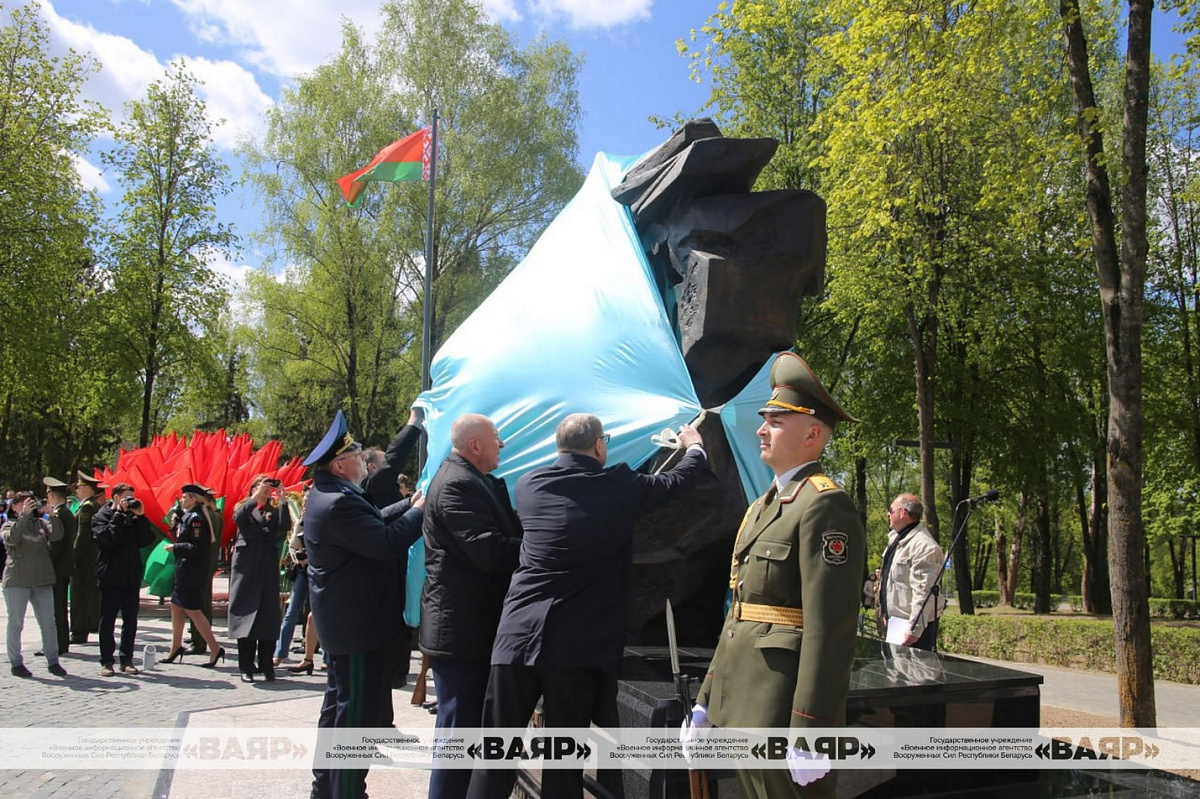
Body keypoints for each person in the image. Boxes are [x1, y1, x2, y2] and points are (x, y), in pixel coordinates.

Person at [467, 413, 707, 799]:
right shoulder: (618, 485)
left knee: (494, 757)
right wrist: (694, 447)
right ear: (599, 445)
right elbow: (675, 483)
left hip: (517, 639)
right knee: (563, 768)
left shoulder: (529, 485)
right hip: (574, 650)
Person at [686, 352, 865, 799]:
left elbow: (831, 627)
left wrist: (813, 728)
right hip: (744, 701)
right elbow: (740, 614)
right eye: (765, 420)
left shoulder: (824, 505)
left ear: (812, 434)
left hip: (781, 708)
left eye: (776, 422)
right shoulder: (761, 507)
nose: (761, 430)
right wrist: (707, 699)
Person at [303, 409, 425, 799]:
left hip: (346, 625)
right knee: (354, 718)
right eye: (356, 455)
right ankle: (347, 791)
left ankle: (326, 787)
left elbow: (372, 521)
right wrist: (420, 512)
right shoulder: (339, 502)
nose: (362, 460)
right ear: (340, 465)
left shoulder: (332, 494)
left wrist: (406, 506)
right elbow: (384, 542)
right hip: (357, 628)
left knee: (339, 709)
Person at [421, 413, 523, 799]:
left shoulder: (473, 479)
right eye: (496, 437)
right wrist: (544, 546)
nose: (502, 444)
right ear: (475, 445)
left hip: (471, 629)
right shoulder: (457, 484)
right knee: (458, 739)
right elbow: (488, 550)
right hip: (461, 635)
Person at [229, 475, 292, 683]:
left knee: (267, 616)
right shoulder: (245, 505)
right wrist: (255, 496)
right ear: (253, 488)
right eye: (261, 485)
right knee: (245, 614)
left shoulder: (273, 510)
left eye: (267, 487)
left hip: (267, 566)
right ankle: (246, 667)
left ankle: (266, 665)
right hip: (246, 566)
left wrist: (282, 499)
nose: (265, 489)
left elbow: (284, 526)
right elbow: (238, 519)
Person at [92, 482, 157, 676]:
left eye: (132, 497)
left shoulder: (132, 516)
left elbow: (146, 540)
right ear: (115, 498)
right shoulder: (101, 516)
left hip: (130, 575)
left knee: (130, 621)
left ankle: (126, 659)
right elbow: (109, 539)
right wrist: (119, 514)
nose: (129, 501)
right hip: (110, 575)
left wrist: (141, 516)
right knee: (108, 620)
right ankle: (106, 661)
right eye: (126, 497)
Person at [3, 492, 67, 677]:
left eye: (31, 503)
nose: (29, 506)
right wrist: (23, 516)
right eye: (23, 503)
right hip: (17, 581)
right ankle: (16, 663)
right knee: (16, 623)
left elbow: (57, 535)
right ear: (14, 506)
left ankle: (53, 660)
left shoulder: (40, 524)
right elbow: (12, 539)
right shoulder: (9, 524)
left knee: (48, 623)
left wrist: (52, 515)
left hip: (42, 580)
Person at [161, 485, 225, 667]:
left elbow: (199, 547)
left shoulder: (197, 518)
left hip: (192, 570)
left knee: (193, 610)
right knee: (176, 607)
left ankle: (215, 648)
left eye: (184, 497)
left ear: (193, 498)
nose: (181, 500)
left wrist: (176, 548)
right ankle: (176, 646)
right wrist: (175, 523)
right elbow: (182, 536)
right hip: (183, 568)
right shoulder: (187, 516)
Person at [876, 493, 945, 651]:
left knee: (915, 668)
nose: (888, 514)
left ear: (902, 513)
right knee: (894, 666)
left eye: (891, 510)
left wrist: (914, 629)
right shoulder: (897, 540)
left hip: (913, 630)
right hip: (897, 624)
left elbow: (923, 591)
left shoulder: (923, 546)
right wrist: (886, 614)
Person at [43, 477, 77, 655]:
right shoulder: (66, 512)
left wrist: (46, 564)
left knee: (56, 608)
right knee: (59, 607)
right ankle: (60, 642)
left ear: (52, 495)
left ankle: (58, 644)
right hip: (63, 567)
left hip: (57, 568)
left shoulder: (59, 515)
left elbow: (55, 544)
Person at [275, 490, 309, 667]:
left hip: (319, 570)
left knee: (319, 615)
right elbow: (294, 544)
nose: (306, 504)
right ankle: (280, 652)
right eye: (305, 501)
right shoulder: (302, 521)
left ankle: (325, 657)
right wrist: (298, 557)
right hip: (303, 571)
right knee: (291, 612)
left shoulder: (325, 519)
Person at [70, 472, 103, 644]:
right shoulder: (93, 505)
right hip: (92, 558)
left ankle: (78, 631)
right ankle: (91, 624)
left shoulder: (87, 508)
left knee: (79, 596)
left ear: (88, 488)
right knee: (90, 594)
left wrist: (74, 557)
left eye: (79, 487)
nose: (77, 490)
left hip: (85, 559)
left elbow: (82, 536)